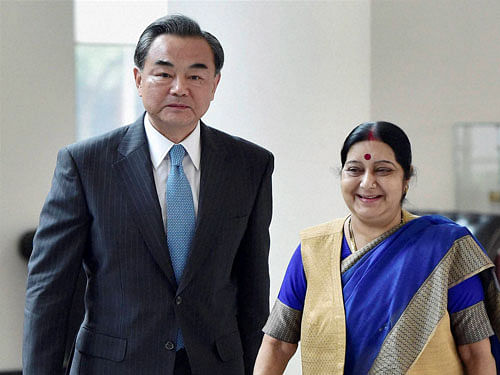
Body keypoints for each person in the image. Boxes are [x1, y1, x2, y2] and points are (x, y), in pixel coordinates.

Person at [23, 14, 273, 375]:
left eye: (196, 75)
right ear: (139, 79)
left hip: (215, 364)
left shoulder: (250, 165)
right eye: (164, 73)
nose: (179, 87)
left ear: (215, 84)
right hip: (115, 365)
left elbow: (253, 288)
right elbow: (49, 291)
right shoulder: (86, 164)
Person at [254, 121, 500, 375]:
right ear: (341, 175)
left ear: (406, 179)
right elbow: (277, 344)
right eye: (354, 170)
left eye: (383, 170)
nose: (367, 182)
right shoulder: (313, 251)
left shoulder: (444, 250)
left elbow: (476, 354)